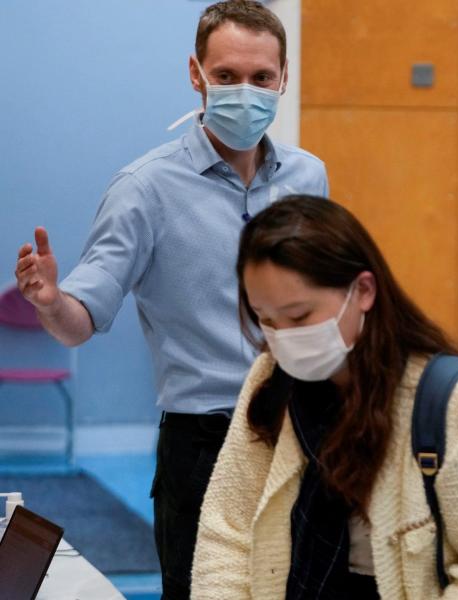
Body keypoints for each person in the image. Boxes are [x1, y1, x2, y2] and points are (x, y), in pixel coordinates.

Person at [12, 2, 328, 597]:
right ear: (195, 73)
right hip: (204, 445)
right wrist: (51, 301)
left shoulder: (308, 178)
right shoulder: (144, 188)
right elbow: (80, 321)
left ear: (284, 77)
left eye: (262, 78)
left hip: (299, 429)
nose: (246, 91)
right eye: (227, 76)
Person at [191, 196, 458, 599]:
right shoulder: (271, 378)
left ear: (363, 291)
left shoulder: (451, 401)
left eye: (298, 317)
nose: (283, 337)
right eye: (265, 319)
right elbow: (227, 531)